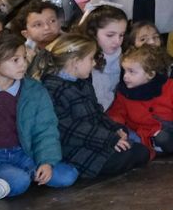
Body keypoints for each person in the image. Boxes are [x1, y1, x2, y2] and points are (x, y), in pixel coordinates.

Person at [0, 31, 77, 200]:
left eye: (24, 57)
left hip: (24, 153)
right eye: (15, 60)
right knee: (19, 182)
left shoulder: (34, 90)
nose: (23, 64)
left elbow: (45, 129)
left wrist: (46, 161)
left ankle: (12, 180)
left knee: (67, 175)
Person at [39, 33, 149, 181]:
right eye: (90, 59)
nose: (94, 64)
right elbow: (70, 128)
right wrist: (108, 139)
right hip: (72, 146)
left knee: (140, 151)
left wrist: (114, 128)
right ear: (75, 62)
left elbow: (97, 112)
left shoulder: (82, 81)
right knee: (132, 153)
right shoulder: (52, 88)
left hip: (94, 139)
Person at [106, 45, 173, 157]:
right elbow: (116, 113)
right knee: (162, 138)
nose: (125, 77)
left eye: (131, 72)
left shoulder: (171, 86)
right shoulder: (123, 93)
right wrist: (118, 128)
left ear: (150, 74)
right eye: (124, 71)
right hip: (156, 133)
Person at [81, 6, 128, 110]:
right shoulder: (81, 59)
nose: (117, 41)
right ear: (93, 33)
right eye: (110, 35)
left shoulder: (126, 58)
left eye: (121, 35)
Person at [12, 0, 61, 79]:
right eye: (38, 24)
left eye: (52, 21)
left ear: (60, 23)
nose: (47, 27)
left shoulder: (73, 45)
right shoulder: (24, 54)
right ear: (26, 34)